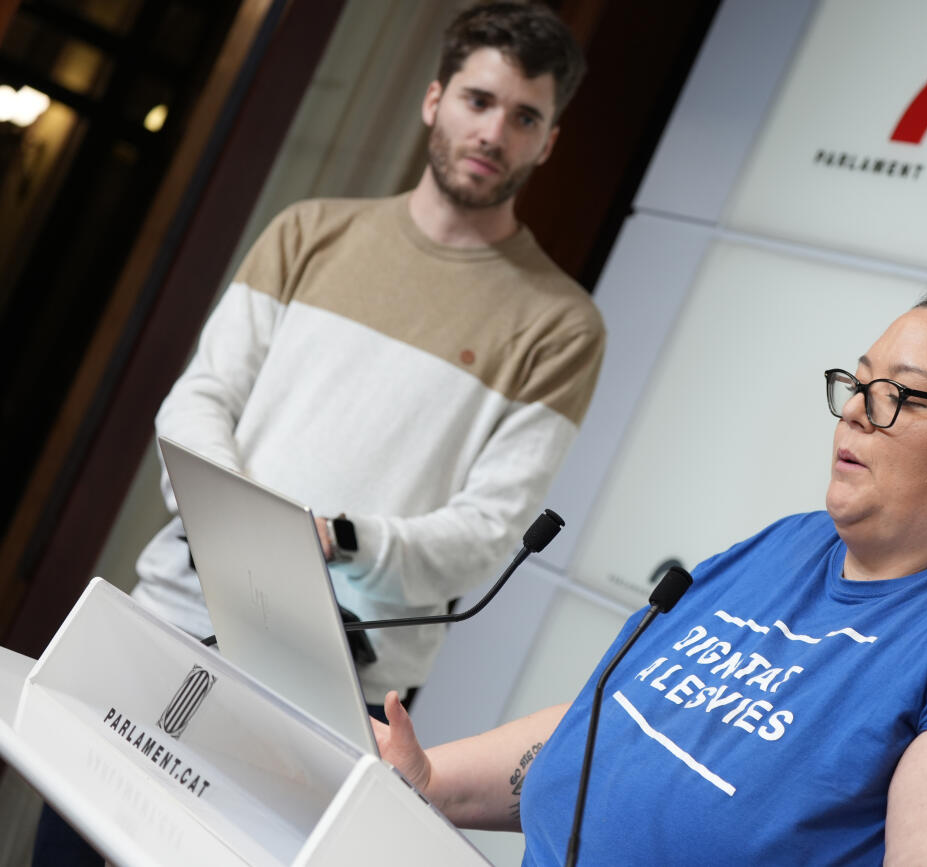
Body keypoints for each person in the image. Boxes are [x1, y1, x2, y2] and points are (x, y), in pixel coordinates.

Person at [373, 289, 927, 865]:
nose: (856, 411)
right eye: (858, 385)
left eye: (899, 396)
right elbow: (631, 722)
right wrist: (429, 778)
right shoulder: (791, 545)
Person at [130, 0, 602, 712]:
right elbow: (202, 398)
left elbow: (487, 530)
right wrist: (246, 525)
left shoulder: (562, 326)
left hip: (340, 675)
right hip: (175, 607)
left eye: (525, 118)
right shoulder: (308, 232)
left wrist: (342, 539)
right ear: (434, 100)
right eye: (478, 101)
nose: (493, 133)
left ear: (548, 143)